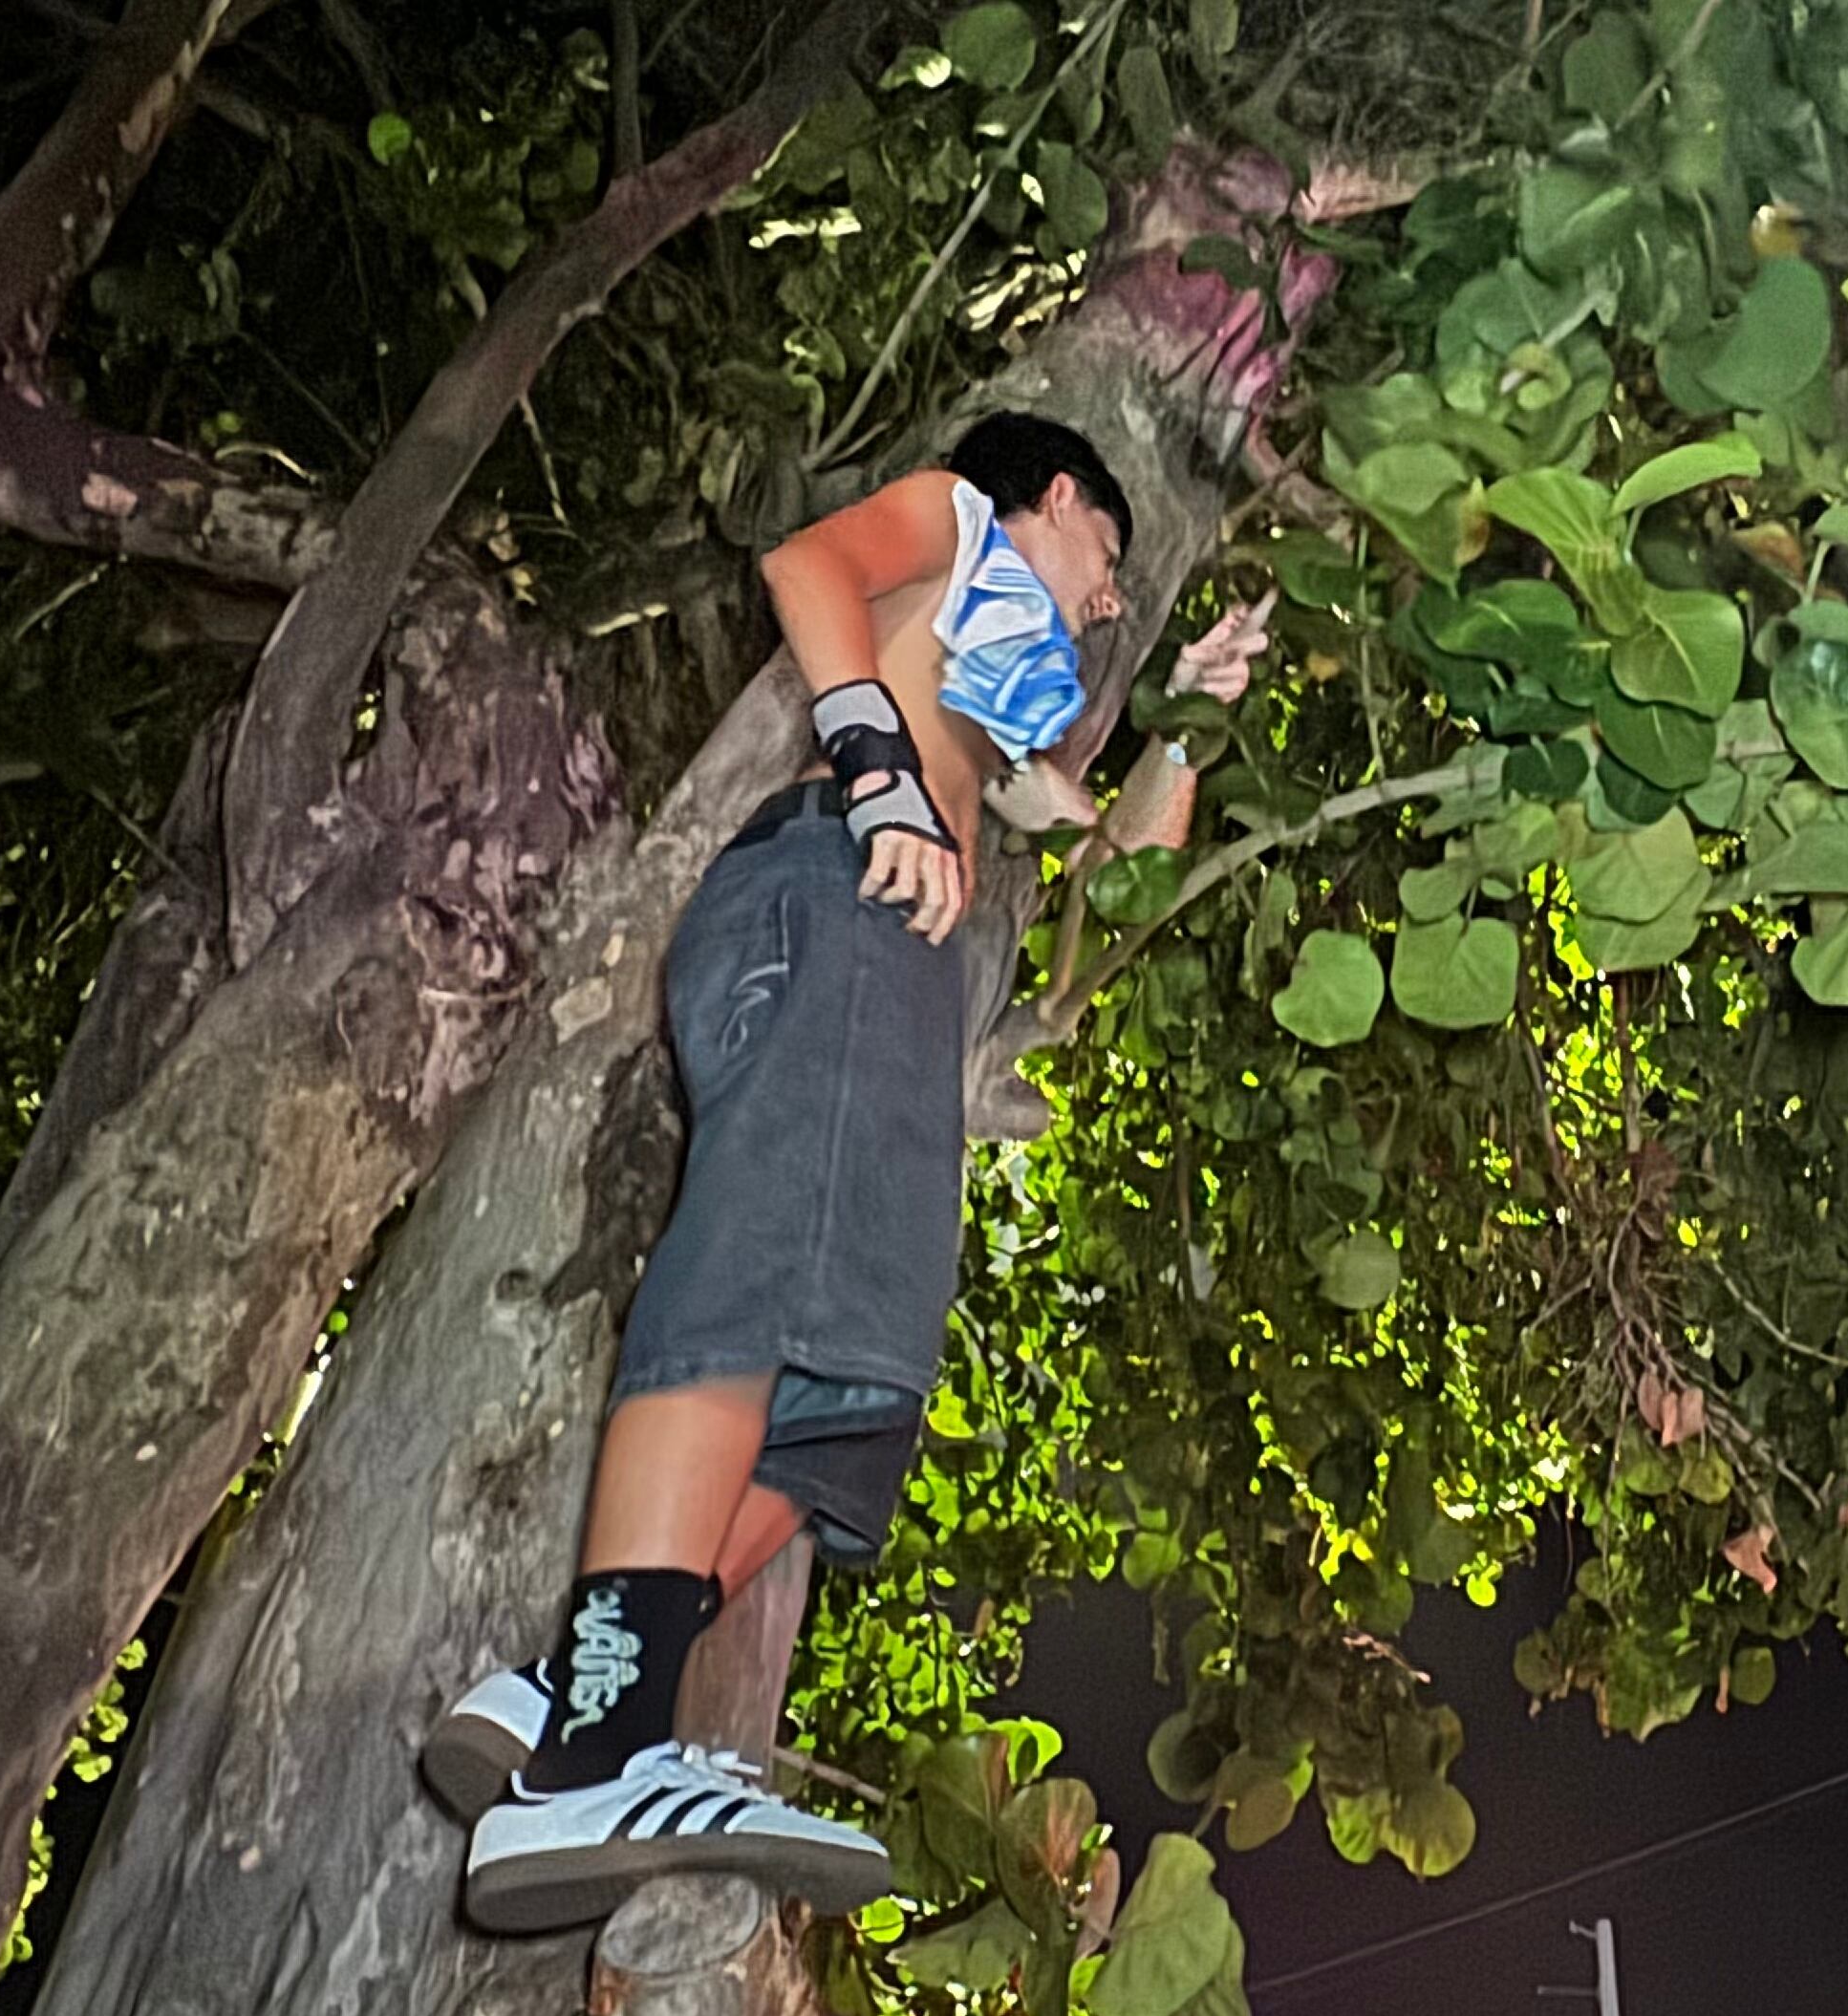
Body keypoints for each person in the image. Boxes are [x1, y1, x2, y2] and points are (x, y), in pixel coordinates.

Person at [415, 414, 1267, 1934]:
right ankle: (601, 1759)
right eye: (1108, 559)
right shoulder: (957, 523)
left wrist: (1185, 718)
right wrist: (877, 772)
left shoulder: (1002, 726)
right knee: (757, 1284)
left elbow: (1110, 855)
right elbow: (804, 562)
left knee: (850, 1411)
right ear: (1054, 498)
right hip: (830, 885)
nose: (1110, 596)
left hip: (897, 962)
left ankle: (569, 1695)